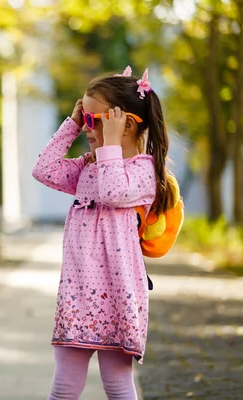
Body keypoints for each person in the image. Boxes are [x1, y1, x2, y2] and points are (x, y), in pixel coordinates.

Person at [32, 66, 172, 399]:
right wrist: (73, 123)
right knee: (65, 382)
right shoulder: (87, 167)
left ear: (126, 124)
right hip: (77, 294)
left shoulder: (144, 171)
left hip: (118, 295)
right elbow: (43, 169)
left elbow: (112, 192)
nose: (88, 129)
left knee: (117, 383)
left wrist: (108, 145)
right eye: (87, 120)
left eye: (96, 121)